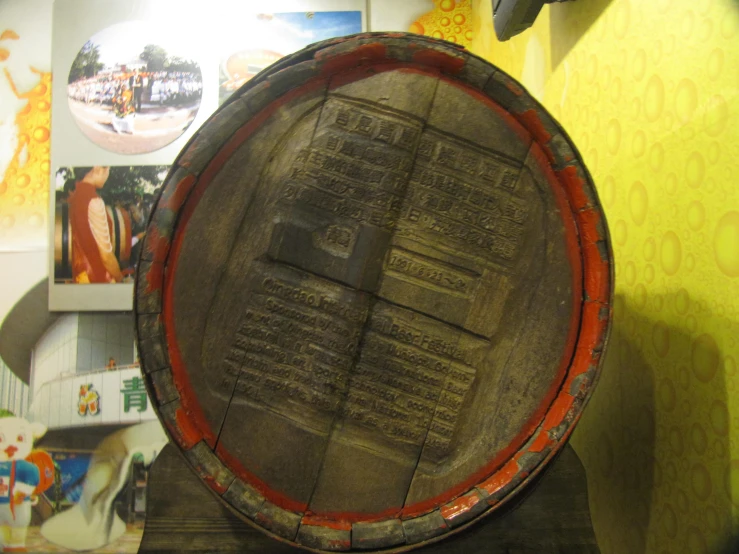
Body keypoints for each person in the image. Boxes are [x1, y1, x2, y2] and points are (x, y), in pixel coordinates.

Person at [67, 166, 124, 284]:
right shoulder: (93, 200)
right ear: (98, 169)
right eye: (108, 169)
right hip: (98, 276)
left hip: (81, 275)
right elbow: (106, 256)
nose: (108, 174)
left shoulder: (75, 197)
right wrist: (120, 279)